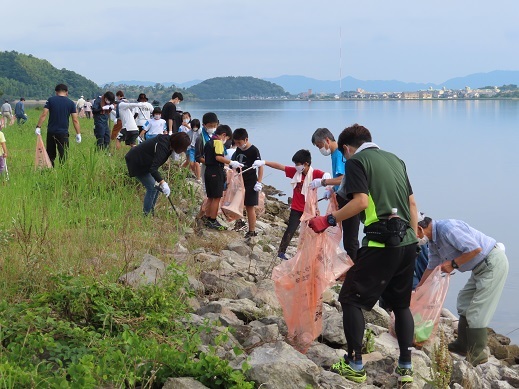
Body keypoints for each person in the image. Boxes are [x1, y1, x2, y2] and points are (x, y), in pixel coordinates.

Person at [308, 124, 418, 385]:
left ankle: (355, 364)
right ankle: (405, 367)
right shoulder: (396, 160)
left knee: (350, 299)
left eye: (344, 156)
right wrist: (413, 239)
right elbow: (412, 203)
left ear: (346, 148)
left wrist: (329, 219)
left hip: (381, 243)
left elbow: (361, 202)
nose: (345, 160)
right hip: (408, 242)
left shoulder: (356, 162)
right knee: (401, 305)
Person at [416, 215, 509, 366]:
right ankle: (462, 345)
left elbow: (474, 249)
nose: (416, 239)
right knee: (464, 301)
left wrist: (453, 264)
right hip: (479, 268)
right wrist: (418, 290)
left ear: (420, 228)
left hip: (491, 263)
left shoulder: (447, 229)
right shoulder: (433, 242)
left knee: (477, 311)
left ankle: (477, 355)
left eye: (414, 234)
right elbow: (431, 267)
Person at [252, 149, 328, 260]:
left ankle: (318, 254)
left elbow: (326, 175)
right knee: (290, 230)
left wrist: (326, 184)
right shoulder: (296, 173)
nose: (296, 166)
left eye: (298, 164)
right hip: (296, 208)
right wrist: (264, 162)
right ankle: (281, 252)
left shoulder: (315, 173)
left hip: (310, 209)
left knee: (316, 231)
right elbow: (280, 167)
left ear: (306, 164)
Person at [311, 127, 360, 262]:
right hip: (342, 196)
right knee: (347, 236)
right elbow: (340, 180)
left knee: (351, 238)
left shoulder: (339, 153)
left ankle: (354, 269)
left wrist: (323, 182)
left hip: (349, 199)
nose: (320, 149)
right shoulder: (334, 154)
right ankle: (350, 265)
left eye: (320, 146)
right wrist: (332, 190)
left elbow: (344, 177)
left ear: (327, 140)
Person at [125, 132, 190, 216]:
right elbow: (153, 169)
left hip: (145, 163)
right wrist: (162, 182)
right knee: (152, 188)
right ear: (178, 144)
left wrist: (161, 183)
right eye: (183, 148)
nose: (183, 150)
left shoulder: (168, 142)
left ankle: (151, 212)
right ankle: (146, 215)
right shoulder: (163, 146)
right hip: (137, 162)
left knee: (157, 188)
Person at [202, 124, 243, 230]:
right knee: (216, 197)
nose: (226, 141)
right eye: (227, 138)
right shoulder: (218, 142)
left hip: (208, 171)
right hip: (216, 171)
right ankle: (212, 220)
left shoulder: (209, 142)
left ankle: (207, 217)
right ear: (224, 135)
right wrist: (231, 162)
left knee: (211, 196)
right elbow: (219, 157)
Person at [34, 84, 82, 167]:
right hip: (63, 133)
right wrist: (78, 133)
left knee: (50, 154)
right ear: (67, 92)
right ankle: (63, 172)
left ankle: (49, 171)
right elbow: (75, 119)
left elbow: (44, 114)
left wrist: (38, 127)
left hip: (51, 131)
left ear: (56, 92)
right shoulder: (71, 103)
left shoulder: (50, 100)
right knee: (63, 155)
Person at [231, 128, 264, 240]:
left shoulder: (254, 150)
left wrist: (259, 182)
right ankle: (238, 223)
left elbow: (260, 167)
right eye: (235, 143)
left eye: (239, 143)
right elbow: (233, 162)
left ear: (246, 139)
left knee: (250, 207)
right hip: (240, 181)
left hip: (251, 181)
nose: (237, 145)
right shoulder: (238, 150)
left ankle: (252, 231)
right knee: (236, 204)